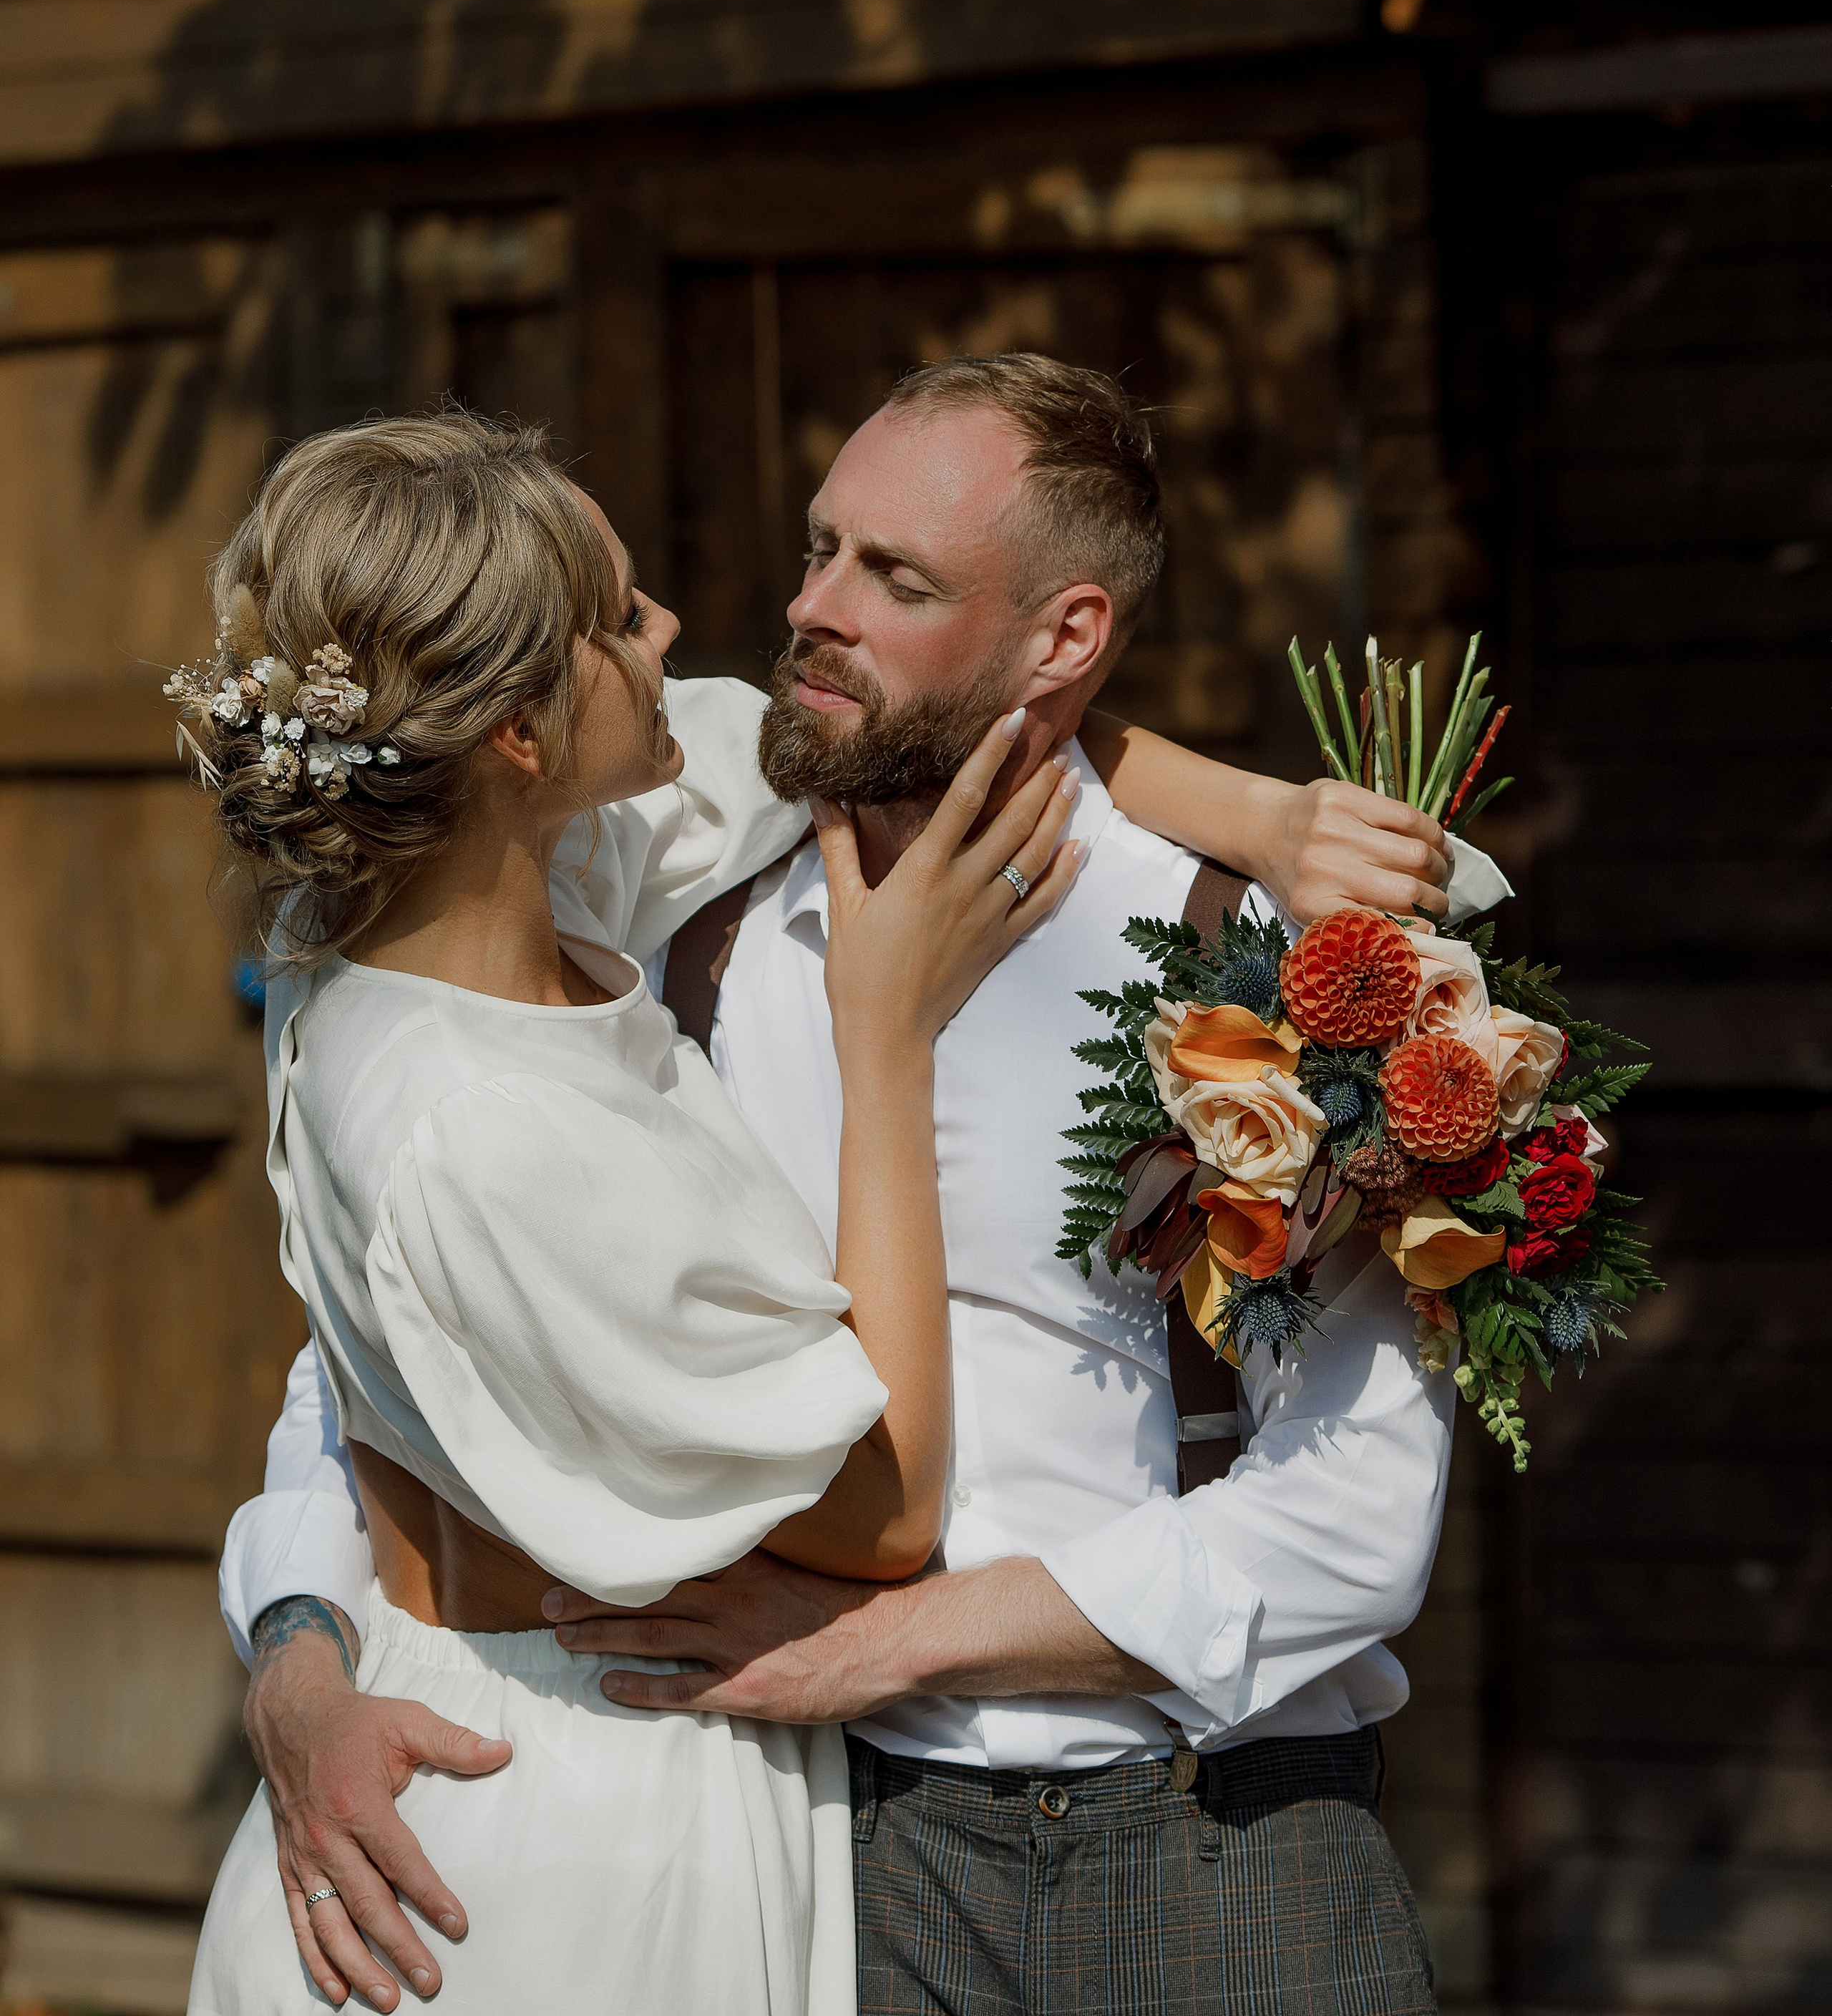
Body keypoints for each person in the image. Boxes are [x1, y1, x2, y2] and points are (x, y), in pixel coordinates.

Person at [220, 356, 1503, 2016]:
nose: (804, 609)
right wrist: (298, 1639)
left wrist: (892, 1639)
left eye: (893, 577)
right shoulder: (675, 912)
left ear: (1063, 638)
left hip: (1212, 1846)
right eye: (819, 546)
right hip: (830, 1862)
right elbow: (401, 1344)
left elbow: (1349, 1515)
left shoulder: (1264, 967)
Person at [182, 406, 1088, 2016]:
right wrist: (881, 1043)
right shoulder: (488, 1130)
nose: (673, 630)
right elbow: (878, 1512)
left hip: (502, 1724)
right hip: (549, 1827)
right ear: (515, 733)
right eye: (618, 620)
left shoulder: (449, 900)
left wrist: (1254, 821)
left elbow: (848, 733)